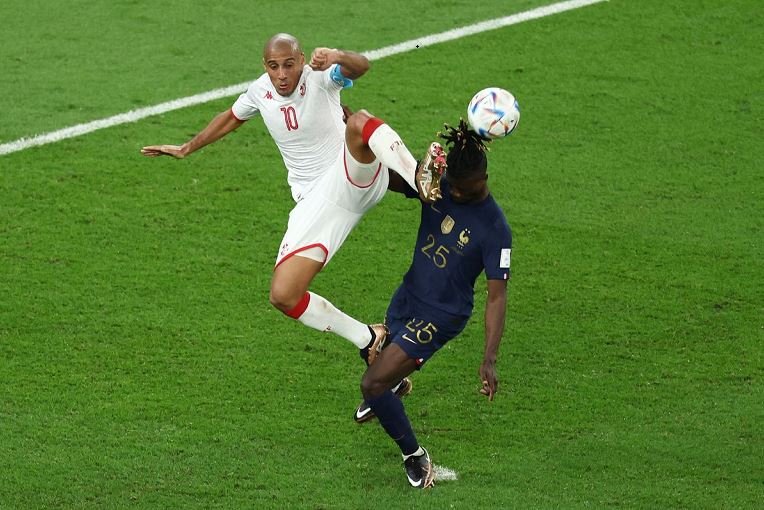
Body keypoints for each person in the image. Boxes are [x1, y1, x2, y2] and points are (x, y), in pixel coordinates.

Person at [141, 33, 445, 360]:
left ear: (300, 60)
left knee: (358, 121)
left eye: (288, 65)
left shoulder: (321, 78)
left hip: (350, 174)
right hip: (316, 203)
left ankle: (419, 178)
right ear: (265, 66)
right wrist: (187, 148)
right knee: (283, 294)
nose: (282, 74)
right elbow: (231, 117)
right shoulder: (260, 91)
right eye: (274, 67)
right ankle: (368, 338)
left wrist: (337, 55)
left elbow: (362, 66)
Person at [355, 120, 512, 489]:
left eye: (463, 189)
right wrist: (371, 159)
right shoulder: (440, 187)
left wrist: (489, 358)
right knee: (374, 354)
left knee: (372, 384)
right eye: (451, 186)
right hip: (408, 295)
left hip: (440, 315)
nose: (454, 193)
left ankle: (415, 456)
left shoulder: (495, 228)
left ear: (483, 178)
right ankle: (394, 391)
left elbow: (497, 296)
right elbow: (394, 182)